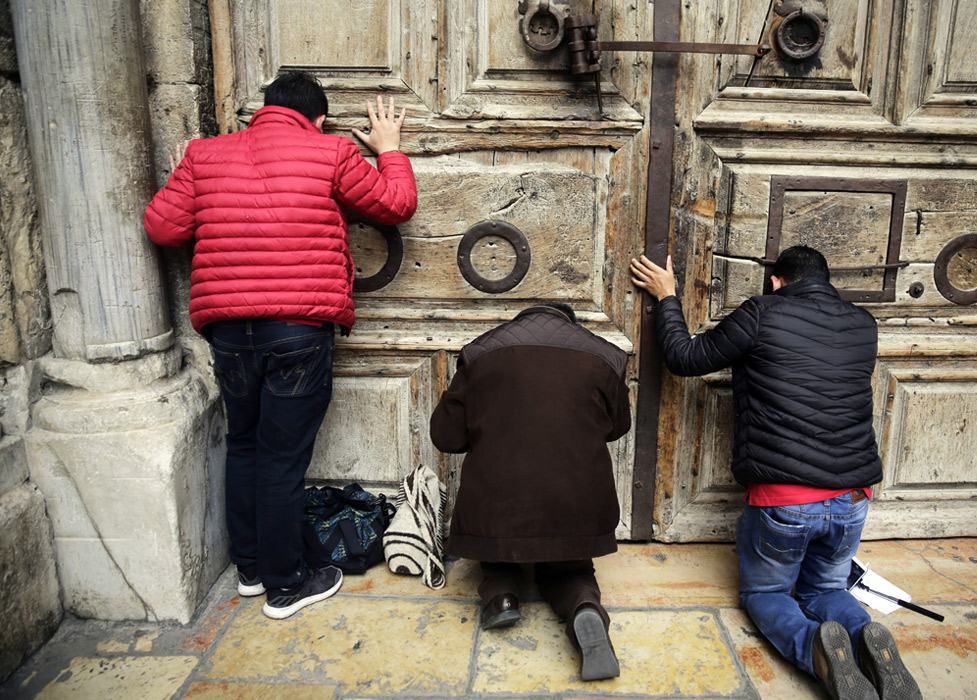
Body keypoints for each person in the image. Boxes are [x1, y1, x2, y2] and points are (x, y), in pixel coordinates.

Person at [144, 70, 417, 620]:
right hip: (297, 330)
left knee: (244, 444)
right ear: (317, 119)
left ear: (261, 111)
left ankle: (249, 569)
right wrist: (388, 150)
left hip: (228, 333)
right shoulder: (331, 152)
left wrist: (182, 176)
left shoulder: (203, 156)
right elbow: (396, 204)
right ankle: (287, 583)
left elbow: (163, 228)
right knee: (283, 458)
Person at [630, 247, 921, 700]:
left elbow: (684, 358)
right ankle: (868, 642)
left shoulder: (761, 313)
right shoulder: (863, 323)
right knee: (824, 587)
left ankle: (816, 652)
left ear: (776, 282)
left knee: (767, 596)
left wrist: (667, 295)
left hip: (786, 501)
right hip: (853, 499)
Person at [430, 301, 630, 681]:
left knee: (498, 552)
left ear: (520, 321)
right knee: (570, 567)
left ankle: (502, 593)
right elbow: (617, 427)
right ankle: (583, 607)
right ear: (570, 323)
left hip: (496, 510)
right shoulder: (606, 355)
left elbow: (445, 435)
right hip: (578, 511)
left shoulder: (480, 351)